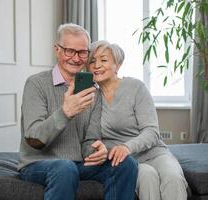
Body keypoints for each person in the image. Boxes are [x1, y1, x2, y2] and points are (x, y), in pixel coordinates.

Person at [18, 23, 138, 200]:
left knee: (126, 163)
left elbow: (89, 140)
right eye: (69, 51)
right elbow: (34, 139)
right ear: (57, 49)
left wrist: (98, 151)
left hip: (78, 165)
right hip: (38, 164)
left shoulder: (93, 91)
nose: (76, 58)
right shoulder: (36, 84)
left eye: (82, 52)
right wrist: (66, 112)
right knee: (65, 168)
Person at [87, 40, 188, 200]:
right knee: (148, 178)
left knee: (173, 178)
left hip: (154, 153)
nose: (97, 65)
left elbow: (152, 131)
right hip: (126, 162)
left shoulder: (135, 87)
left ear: (117, 65)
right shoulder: (90, 98)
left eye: (104, 60)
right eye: (92, 61)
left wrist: (127, 147)